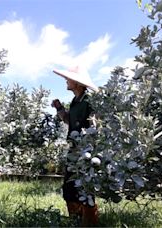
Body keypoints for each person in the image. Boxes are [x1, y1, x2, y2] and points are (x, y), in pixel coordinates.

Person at [51, 66, 99, 226]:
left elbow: (95, 127)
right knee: (70, 188)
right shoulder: (75, 101)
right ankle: (75, 221)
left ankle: (89, 223)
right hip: (73, 151)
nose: (66, 80)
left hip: (85, 152)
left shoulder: (88, 101)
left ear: (77, 83)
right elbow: (68, 120)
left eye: (69, 78)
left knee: (85, 188)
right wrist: (59, 108)